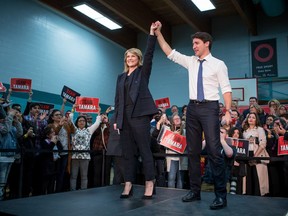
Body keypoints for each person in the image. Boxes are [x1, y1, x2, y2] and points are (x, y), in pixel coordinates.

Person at [154, 21, 232, 210]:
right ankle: (195, 191)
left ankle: (221, 196)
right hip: (193, 109)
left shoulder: (218, 64)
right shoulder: (190, 61)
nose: (193, 46)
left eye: (196, 43)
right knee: (193, 151)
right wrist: (158, 34)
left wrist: (228, 111)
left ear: (207, 43)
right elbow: (169, 52)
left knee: (214, 152)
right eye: (193, 44)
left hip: (210, 108)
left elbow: (226, 89)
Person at [113, 23, 158, 199]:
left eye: (133, 56)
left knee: (144, 151)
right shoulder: (120, 77)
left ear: (138, 59)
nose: (130, 58)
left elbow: (149, 54)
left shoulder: (142, 72)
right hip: (124, 117)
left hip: (140, 116)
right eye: (127, 56)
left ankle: (149, 182)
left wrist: (151, 34)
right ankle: (129, 183)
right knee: (127, 153)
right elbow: (117, 100)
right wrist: (117, 119)